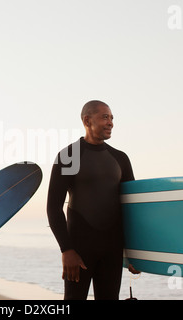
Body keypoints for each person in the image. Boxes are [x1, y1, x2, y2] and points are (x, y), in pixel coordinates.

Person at [47, 100, 138, 300]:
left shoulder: (120, 158)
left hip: (112, 249)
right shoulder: (68, 157)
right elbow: (53, 208)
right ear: (87, 120)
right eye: (105, 117)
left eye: (112, 118)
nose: (111, 122)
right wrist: (66, 250)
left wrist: (135, 251)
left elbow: (132, 209)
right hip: (79, 249)